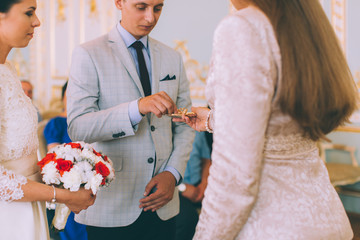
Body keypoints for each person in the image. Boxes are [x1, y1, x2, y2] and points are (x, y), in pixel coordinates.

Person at [177, 0, 357, 239]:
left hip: (269, 224)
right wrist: (214, 119)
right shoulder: (306, 25)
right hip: (326, 217)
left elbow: (235, 176)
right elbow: (280, 120)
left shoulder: (242, 28)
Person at [66, 0, 195, 239]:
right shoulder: (88, 53)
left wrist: (173, 173)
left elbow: (185, 123)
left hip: (163, 203)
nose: (151, 18)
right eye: (141, 7)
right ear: (119, 2)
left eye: (158, 8)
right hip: (112, 204)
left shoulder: (172, 57)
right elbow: (78, 126)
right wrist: (136, 109)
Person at [0, 1, 96, 240]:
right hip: (8, 214)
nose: (37, 21)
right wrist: (63, 196)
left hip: (28, 204)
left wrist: (65, 176)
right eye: (28, 12)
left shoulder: (8, 70)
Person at [44, 81, 88, 240]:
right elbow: (54, 157)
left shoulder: (89, 123)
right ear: (64, 97)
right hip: (69, 184)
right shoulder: (56, 123)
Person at [175, 131, 212, 240]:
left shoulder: (196, 127)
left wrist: (204, 183)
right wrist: (182, 189)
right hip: (176, 189)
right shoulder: (163, 129)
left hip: (200, 185)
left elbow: (206, 159)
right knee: (188, 218)